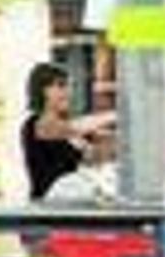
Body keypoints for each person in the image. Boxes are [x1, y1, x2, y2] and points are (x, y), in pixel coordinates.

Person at [21, 62, 117, 200]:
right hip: (48, 207)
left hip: (69, 206)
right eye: (60, 86)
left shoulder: (68, 130)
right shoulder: (36, 124)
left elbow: (97, 155)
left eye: (69, 86)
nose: (67, 92)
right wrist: (117, 114)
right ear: (43, 90)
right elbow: (74, 127)